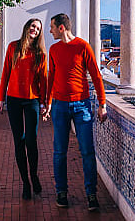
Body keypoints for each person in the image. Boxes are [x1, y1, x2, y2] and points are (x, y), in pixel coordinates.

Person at [42, 13, 107, 211]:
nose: (50, 31)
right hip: (60, 106)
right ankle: (61, 192)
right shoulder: (53, 49)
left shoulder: (83, 46)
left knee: (87, 151)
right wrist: (48, 103)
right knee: (59, 151)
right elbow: (51, 77)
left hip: (82, 105)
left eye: (52, 27)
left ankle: (91, 194)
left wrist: (102, 104)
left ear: (61, 28)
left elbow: (96, 76)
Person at [0, 18, 48, 201]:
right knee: (19, 141)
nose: (35, 29)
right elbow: (5, 73)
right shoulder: (13, 47)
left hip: (33, 101)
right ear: (27, 27)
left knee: (31, 141)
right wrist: (1, 99)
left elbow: (43, 81)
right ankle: (25, 183)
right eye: (33, 26)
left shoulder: (41, 53)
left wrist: (45, 103)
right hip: (14, 100)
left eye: (38, 28)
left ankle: (34, 175)